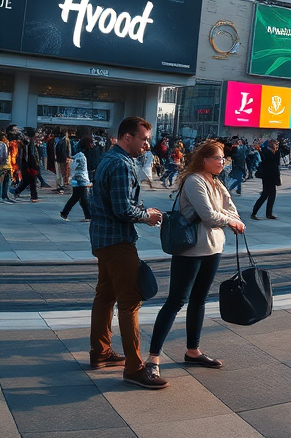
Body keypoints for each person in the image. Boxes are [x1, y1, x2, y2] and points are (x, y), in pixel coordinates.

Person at [146, 141, 245, 377]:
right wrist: (229, 220)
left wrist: (228, 217)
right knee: (176, 301)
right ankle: (153, 358)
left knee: (199, 300)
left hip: (213, 248)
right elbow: (209, 215)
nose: (222, 162)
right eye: (218, 158)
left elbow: (232, 210)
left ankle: (193, 350)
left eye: (223, 158)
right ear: (204, 160)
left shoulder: (216, 182)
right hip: (190, 250)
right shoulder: (194, 181)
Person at [88, 116, 165, 389]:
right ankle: (134, 368)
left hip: (103, 239)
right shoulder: (121, 164)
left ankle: (100, 352)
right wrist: (147, 216)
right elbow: (123, 209)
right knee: (130, 302)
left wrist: (142, 210)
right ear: (127, 137)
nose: (147, 145)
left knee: (105, 296)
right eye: (143, 139)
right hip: (118, 241)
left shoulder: (110, 158)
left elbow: (117, 202)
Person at [61, 134, 93, 221]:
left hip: (77, 177)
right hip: (81, 178)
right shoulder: (83, 154)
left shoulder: (79, 152)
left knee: (76, 197)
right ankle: (88, 216)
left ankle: (65, 213)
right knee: (83, 198)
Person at [251, 139, 281, 219]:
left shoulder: (276, 153)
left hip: (273, 176)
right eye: (276, 144)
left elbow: (277, 163)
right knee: (265, 195)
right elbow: (266, 162)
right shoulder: (265, 152)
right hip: (267, 176)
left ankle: (269, 213)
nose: (277, 146)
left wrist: (276, 152)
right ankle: (254, 212)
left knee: (272, 196)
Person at [11, 126, 40, 201]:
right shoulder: (25, 142)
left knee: (28, 180)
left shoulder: (29, 142)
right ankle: (34, 196)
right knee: (31, 180)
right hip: (27, 164)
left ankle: (17, 191)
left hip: (29, 164)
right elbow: (27, 155)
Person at [54, 130, 71, 195]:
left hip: (60, 159)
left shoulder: (59, 141)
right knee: (64, 173)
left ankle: (61, 185)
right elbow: (68, 150)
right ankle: (63, 185)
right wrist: (68, 157)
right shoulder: (66, 140)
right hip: (64, 159)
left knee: (61, 172)